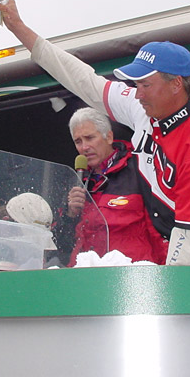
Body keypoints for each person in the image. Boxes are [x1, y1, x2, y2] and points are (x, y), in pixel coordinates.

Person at [0, 0, 190, 266]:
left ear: (176, 84)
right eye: (135, 84)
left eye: (145, 85)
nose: (137, 94)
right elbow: (84, 81)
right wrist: (18, 27)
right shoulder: (143, 108)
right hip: (185, 240)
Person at [53, 107, 168, 265]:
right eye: (78, 141)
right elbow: (60, 245)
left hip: (129, 271)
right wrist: (69, 215)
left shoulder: (139, 169)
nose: (84, 147)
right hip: (84, 272)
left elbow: (160, 228)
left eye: (90, 138)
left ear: (109, 137)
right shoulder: (76, 180)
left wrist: (169, 269)